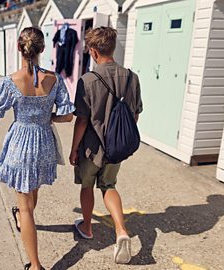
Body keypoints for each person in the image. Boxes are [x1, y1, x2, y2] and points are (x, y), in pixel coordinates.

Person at [0, 27, 74, 270]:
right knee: (33, 191)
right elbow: (67, 116)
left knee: (25, 208)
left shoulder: (10, 81)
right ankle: (25, 221)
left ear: (19, 49)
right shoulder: (55, 79)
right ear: (42, 49)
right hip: (44, 143)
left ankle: (35, 265)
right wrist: (46, 117)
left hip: (21, 143)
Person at [69, 26, 143, 264]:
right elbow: (135, 115)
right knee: (109, 185)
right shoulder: (132, 77)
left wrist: (74, 149)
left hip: (91, 147)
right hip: (117, 147)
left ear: (93, 51)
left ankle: (88, 227)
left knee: (87, 186)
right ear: (113, 47)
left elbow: (81, 120)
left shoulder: (87, 80)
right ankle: (121, 230)